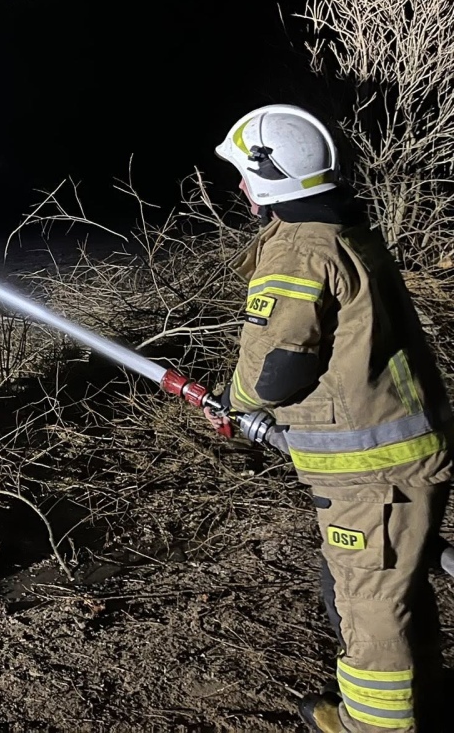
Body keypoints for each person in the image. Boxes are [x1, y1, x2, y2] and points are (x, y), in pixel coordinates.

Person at [212, 104, 451, 733]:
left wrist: (239, 404)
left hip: (372, 470)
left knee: (368, 598)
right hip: (399, 453)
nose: (239, 184)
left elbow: (276, 371)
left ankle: (373, 724)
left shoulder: (301, 252)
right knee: (392, 583)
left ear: (270, 176)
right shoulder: (343, 228)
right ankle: (422, 695)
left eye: (244, 171)